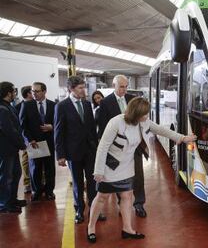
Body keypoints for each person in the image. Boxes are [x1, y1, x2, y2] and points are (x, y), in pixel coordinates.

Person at [87, 97, 196, 243]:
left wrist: (182, 138)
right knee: (102, 198)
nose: (147, 116)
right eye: (144, 113)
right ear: (135, 113)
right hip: (110, 167)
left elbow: (161, 130)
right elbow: (103, 146)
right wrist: (99, 170)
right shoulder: (116, 122)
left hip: (127, 166)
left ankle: (127, 229)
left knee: (127, 197)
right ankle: (91, 227)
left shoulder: (144, 122)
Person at [54, 76, 106, 224]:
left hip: (90, 151)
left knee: (92, 181)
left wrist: (97, 148)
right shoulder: (62, 106)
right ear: (71, 89)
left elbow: (91, 128)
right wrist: (60, 155)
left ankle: (94, 209)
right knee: (77, 182)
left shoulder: (87, 104)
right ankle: (79, 210)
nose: (84, 90)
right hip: (73, 152)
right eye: (80, 88)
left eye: (84, 87)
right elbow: (58, 132)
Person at [97, 75, 148, 218]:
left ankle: (139, 204)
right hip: (118, 149)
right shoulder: (105, 103)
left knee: (138, 176)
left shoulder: (132, 99)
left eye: (126, 86)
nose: (124, 90)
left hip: (135, 146)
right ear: (114, 85)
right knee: (120, 178)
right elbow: (102, 128)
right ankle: (122, 204)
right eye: (121, 87)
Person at [20, 82, 56, 201]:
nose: (34, 93)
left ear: (44, 91)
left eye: (37, 91)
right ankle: (37, 191)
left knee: (49, 167)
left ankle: (49, 191)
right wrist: (29, 140)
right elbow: (23, 125)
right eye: (33, 91)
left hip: (49, 141)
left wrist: (52, 127)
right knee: (35, 169)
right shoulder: (27, 105)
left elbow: (60, 123)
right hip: (34, 143)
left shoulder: (53, 105)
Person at [0, 82, 27, 213]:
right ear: (8, 93)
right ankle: (4, 203)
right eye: (13, 91)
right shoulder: (2, 108)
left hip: (12, 149)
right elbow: (10, 130)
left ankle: (12, 199)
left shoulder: (7, 106)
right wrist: (21, 143)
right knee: (6, 177)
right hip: (5, 150)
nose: (15, 94)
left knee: (16, 174)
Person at [15, 85, 33, 194]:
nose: (34, 94)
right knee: (26, 161)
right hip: (26, 138)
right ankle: (27, 183)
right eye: (32, 92)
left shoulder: (35, 105)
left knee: (39, 159)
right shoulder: (18, 107)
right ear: (28, 94)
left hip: (37, 137)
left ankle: (40, 181)